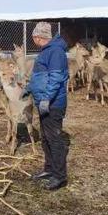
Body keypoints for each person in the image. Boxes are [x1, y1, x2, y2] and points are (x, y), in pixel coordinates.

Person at [24, 22, 69, 191]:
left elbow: (56, 78)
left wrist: (46, 99)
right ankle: (49, 169)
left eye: (34, 37)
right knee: (45, 138)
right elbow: (40, 77)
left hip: (53, 104)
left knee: (54, 139)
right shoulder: (47, 51)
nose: (33, 39)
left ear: (38, 37)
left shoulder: (55, 52)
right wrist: (29, 89)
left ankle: (60, 176)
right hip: (43, 101)